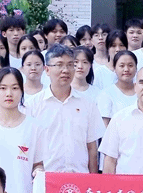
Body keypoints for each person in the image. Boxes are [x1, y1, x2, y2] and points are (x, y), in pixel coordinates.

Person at [27, 46, 105, 174]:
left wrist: (93, 179)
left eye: (70, 65)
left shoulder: (88, 104)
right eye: (59, 65)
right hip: (47, 177)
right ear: (47, 70)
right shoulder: (33, 105)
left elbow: (92, 147)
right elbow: (29, 146)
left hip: (80, 176)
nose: (65, 70)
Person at [97, 50, 138, 127]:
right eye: (122, 66)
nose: (126, 69)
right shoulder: (106, 94)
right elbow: (104, 126)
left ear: (136, 68)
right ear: (115, 68)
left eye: (130, 65)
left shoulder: (142, 92)